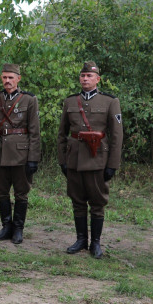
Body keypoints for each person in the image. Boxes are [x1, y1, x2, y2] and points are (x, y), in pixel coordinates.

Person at [58, 61, 123, 259]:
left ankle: (95, 243)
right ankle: (80, 240)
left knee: (97, 202)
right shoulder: (70, 102)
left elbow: (116, 136)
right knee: (77, 201)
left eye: (89, 76)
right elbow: (62, 134)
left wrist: (112, 165)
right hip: (75, 159)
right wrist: (63, 160)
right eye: (83, 76)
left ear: (98, 79)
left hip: (98, 160)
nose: (85, 79)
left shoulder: (110, 102)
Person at [0, 64, 41, 244]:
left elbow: (34, 132)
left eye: (11, 77)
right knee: (1, 191)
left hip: (21, 154)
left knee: (21, 193)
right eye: (4, 77)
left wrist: (33, 158)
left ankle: (18, 229)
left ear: (18, 78)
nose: (7, 81)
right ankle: (6, 227)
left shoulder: (29, 100)